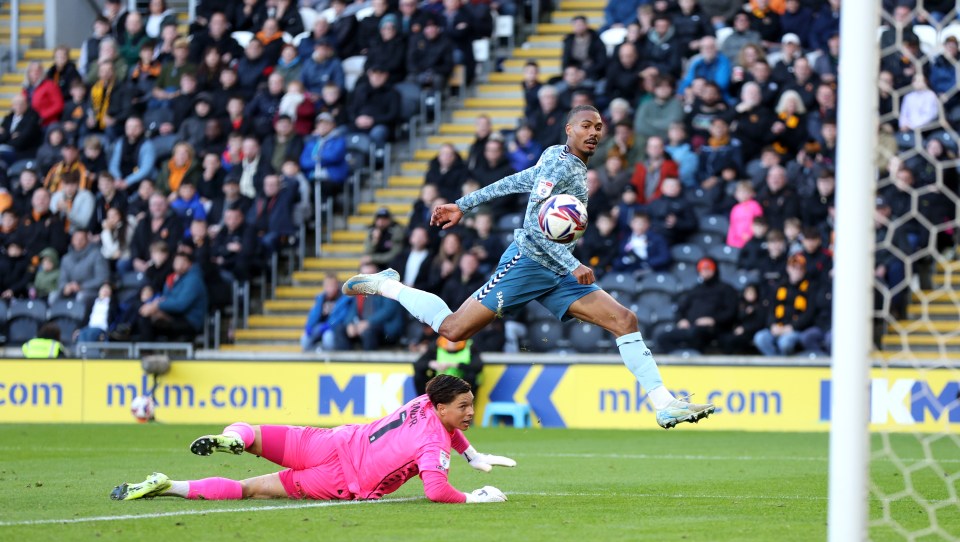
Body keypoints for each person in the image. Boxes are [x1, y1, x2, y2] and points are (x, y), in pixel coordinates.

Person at [341, 105, 715, 429]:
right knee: (454, 329)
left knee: (625, 320)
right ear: (569, 129)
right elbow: (536, 227)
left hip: (556, 269)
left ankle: (665, 404)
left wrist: (463, 203)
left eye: (599, 127)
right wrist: (573, 262)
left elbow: (515, 180)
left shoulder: (567, 163)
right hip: (529, 263)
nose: (593, 132)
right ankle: (387, 284)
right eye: (586, 125)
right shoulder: (558, 160)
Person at [110, 375, 514, 503]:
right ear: (441, 408)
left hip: (330, 441)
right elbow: (435, 490)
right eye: (463, 406)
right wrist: (474, 496)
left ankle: (184, 472)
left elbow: (450, 428)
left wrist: (471, 453)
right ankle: (175, 487)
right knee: (250, 490)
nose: (469, 412)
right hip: (341, 480)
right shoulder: (433, 442)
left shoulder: (425, 400)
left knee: (247, 430)